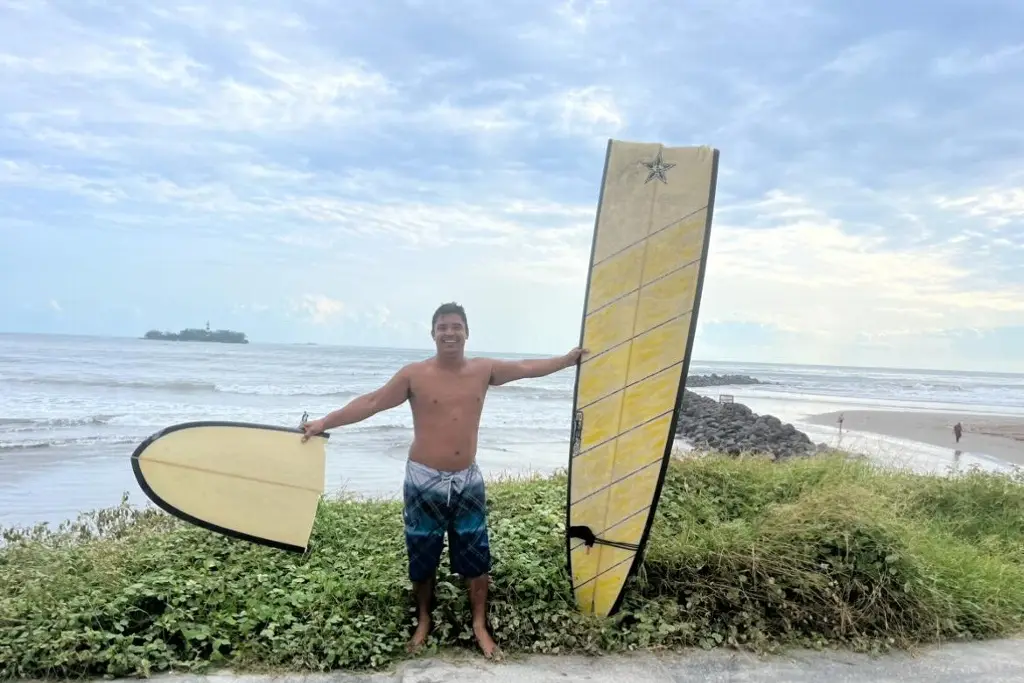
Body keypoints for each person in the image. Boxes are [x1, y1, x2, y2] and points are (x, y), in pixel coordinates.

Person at [300, 302, 587, 658]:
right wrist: (323, 423)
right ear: (433, 333)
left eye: (456, 326)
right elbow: (372, 402)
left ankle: (479, 625)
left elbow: (527, 367)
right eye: (442, 327)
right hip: (423, 480)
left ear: (467, 332)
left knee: (477, 555)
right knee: (422, 555)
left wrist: (566, 360)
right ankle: (424, 620)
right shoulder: (414, 375)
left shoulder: (485, 369)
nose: (449, 333)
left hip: (468, 478)